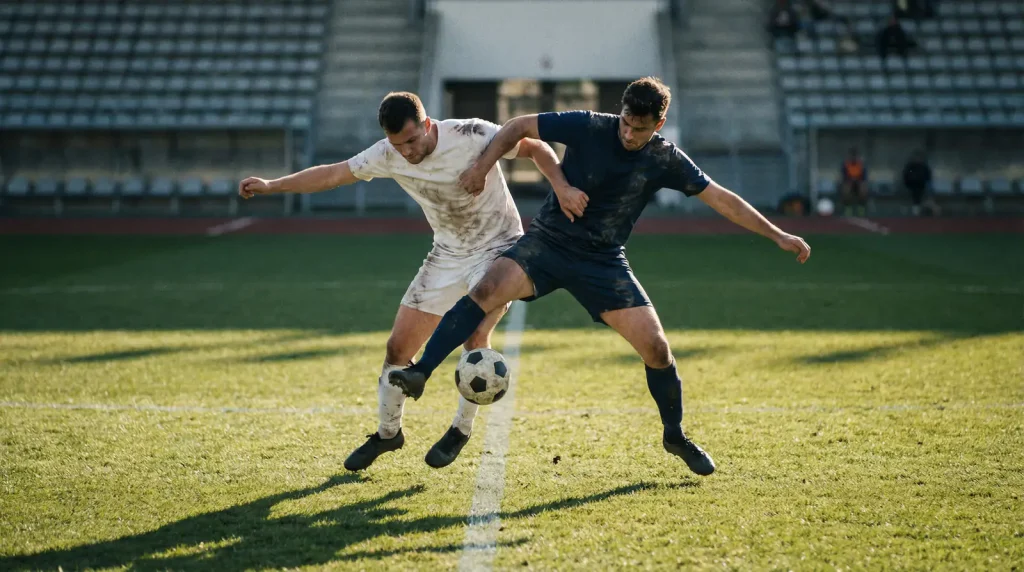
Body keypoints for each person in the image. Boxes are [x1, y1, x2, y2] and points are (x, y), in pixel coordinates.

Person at [388, 78, 812, 477]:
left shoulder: (663, 157)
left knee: (657, 349)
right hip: (548, 245)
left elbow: (720, 197)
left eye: (640, 128)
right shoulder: (590, 125)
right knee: (486, 290)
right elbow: (518, 126)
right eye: (626, 122)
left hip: (603, 261)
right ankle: (422, 371)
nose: (629, 134)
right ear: (621, 112)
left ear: (658, 124)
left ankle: (675, 436)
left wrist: (776, 233)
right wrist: (483, 166)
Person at [238, 92, 565, 471]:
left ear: (427, 125)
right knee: (397, 349)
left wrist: (562, 187)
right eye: (398, 145)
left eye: (412, 141)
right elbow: (331, 174)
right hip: (447, 255)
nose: (407, 152)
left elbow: (536, 148)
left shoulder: (473, 133)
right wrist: (272, 185)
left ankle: (461, 428)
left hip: (498, 251)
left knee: (475, 340)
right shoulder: (387, 153)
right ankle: (388, 433)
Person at [902, 150, 933, 216]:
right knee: (915, 195)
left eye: (919, 157)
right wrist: (907, 182)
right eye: (916, 157)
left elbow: (928, 175)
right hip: (911, 185)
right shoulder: (910, 166)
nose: (917, 159)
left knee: (920, 195)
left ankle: (919, 208)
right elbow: (906, 175)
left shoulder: (924, 167)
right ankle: (915, 208)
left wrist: (927, 183)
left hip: (921, 184)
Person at [840, 147, 869, 216]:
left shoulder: (861, 165)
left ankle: (861, 208)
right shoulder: (846, 164)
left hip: (859, 181)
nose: (853, 158)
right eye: (852, 155)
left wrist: (858, 180)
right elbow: (844, 176)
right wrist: (851, 179)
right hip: (849, 181)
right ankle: (848, 208)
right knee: (846, 188)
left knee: (863, 187)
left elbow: (864, 177)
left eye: (855, 156)